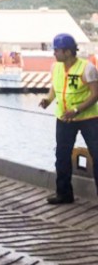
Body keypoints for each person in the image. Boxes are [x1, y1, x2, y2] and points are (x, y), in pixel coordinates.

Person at [38, 33, 98, 204]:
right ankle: (64, 194)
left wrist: (77, 110)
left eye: (56, 50)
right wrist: (48, 100)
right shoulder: (55, 67)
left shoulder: (87, 69)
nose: (54, 53)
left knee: (97, 155)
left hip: (89, 118)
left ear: (68, 52)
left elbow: (95, 94)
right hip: (65, 118)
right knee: (62, 156)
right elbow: (55, 87)